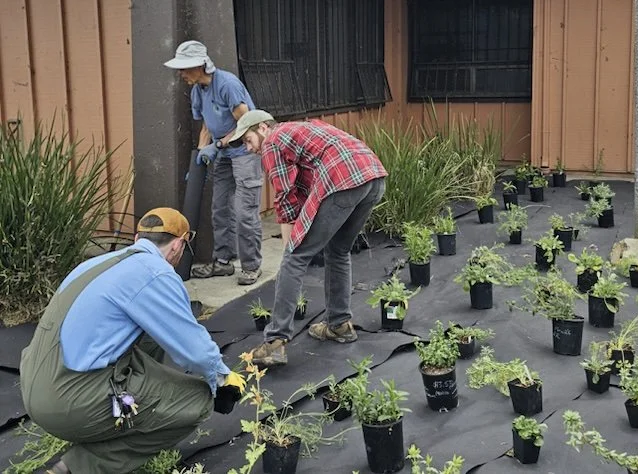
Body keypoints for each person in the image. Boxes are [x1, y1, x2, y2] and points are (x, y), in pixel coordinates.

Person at [20, 208, 245, 474]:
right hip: (66, 400)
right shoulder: (156, 273)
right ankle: (77, 467)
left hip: (34, 384)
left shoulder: (96, 264)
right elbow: (195, 350)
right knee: (195, 403)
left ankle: (122, 414)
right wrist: (222, 378)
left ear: (138, 238)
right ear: (178, 245)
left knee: (149, 330)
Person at [228, 110, 387, 366]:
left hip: (344, 177)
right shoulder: (299, 129)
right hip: (373, 175)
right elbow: (305, 189)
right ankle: (340, 325)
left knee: (294, 258)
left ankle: (275, 342)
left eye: (247, 140)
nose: (248, 149)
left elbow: (285, 196)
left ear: (262, 128)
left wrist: (290, 247)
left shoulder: (273, 141)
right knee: (338, 251)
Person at [164, 40, 263, 285]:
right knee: (219, 209)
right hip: (223, 153)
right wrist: (199, 159)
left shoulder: (227, 85)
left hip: (244, 152)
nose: (181, 74)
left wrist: (217, 146)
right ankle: (223, 262)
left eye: (184, 68)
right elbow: (207, 126)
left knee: (244, 211)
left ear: (200, 66)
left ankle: (251, 266)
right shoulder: (198, 91)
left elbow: (246, 124)